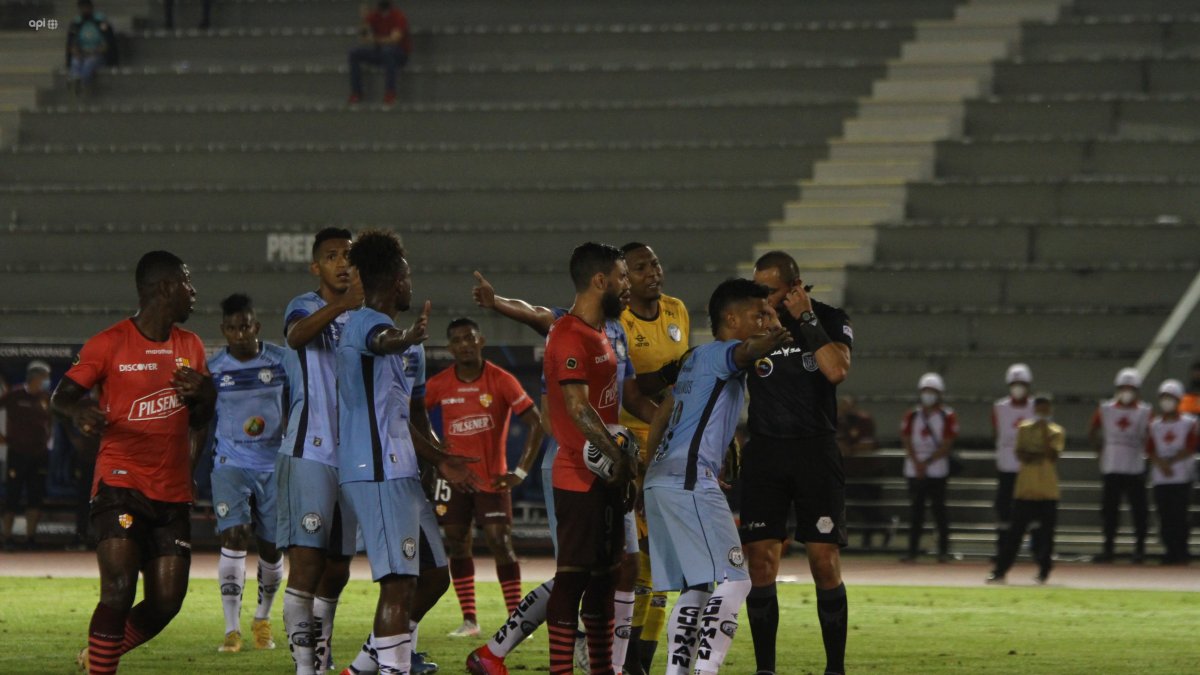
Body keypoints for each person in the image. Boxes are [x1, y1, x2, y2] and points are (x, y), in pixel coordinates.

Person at [464, 267, 656, 675]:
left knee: (619, 567)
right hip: (578, 460)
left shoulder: (614, 333)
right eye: (628, 272)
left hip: (608, 462)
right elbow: (534, 313)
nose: (636, 279)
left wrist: (668, 427)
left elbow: (632, 395)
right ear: (604, 281)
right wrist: (496, 302)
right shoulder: (565, 329)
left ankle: (612, 663)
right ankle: (498, 651)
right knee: (577, 571)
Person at [51, 250, 215, 674]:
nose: (193, 292)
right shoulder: (108, 343)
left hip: (172, 489)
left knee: (166, 601)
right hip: (120, 482)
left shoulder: (192, 346)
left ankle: (101, 653)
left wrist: (206, 396)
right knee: (119, 588)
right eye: (187, 282)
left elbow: (200, 419)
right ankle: (103, 668)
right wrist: (79, 412)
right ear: (165, 288)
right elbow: (61, 397)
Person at [334, 229, 477, 675]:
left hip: (402, 470)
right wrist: (407, 336)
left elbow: (401, 417)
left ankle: (365, 664)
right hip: (374, 470)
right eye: (408, 275)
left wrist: (438, 458)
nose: (411, 283)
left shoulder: (399, 338)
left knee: (434, 574)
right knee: (398, 582)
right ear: (396, 280)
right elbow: (381, 340)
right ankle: (395, 667)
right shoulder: (365, 324)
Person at [643, 278, 792, 675]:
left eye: (766, 313)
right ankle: (706, 670)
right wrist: (778, 329)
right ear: (730, 318)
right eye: (756, 314)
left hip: (661, 479)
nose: (763, 320)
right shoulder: (725, 353)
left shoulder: (695, 358)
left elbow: (664, 410)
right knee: (737, 579)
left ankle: (678, 672)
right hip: (691, 481)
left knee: (697, 586)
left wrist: (645, 467)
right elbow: (750, 349)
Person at [741, 250, 852, 675]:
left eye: (769, 291)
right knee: (760, 563)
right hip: (765, 451)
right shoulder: (754, 324)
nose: (763, 300)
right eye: (757, 291)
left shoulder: (828, 317)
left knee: (823, 561)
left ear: (794, 286)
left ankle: (834, 669)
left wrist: (806, 319)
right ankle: (765, 669)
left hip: (815, 451)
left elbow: (837, 370)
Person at [277, 228, 364, 674]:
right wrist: (341, 308)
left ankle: (322, 658)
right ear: (317, 267)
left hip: (354, 456)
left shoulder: (366, 313)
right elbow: (295, 337)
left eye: (347, 255)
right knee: (307, 566)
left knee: (338, 568)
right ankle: (304, 669)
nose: (341, 263)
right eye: (332, 256)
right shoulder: (305, 305)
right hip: (310, 449)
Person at [424, 317, 545, 637]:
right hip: (454, 480)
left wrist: (520, 471)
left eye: (469, 338)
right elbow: (413, 413)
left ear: (481, 341)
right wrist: (437, 449)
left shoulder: (501, 380)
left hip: (491, 479)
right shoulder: (439, 383)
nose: (464, 344)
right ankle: (470, 621)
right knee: (457, 543)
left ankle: (518, 621)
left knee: (500, 541)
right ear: (450, 348)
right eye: (457, 340)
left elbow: (537, 422)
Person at [616, 242, 690, 674]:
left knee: (668, 562)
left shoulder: (677, 310)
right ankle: (626, 659)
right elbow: (631, 389)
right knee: (641, 559)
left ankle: (640, 660)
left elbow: (686, 378)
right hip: (636, 442)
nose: (653, 272)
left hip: (674, 442)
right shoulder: (618, 322)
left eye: (655, 263)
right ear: (625, 276)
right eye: (641, 267)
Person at [208, 293, 289, 653]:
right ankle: (231, 629)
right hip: (231, 463)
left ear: (256, 326)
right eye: (232, 328)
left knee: (271, 548)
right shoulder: (213, 369)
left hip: (274, 464)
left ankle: (262, 618)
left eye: (246, 326)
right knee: (235, 535)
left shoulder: (282, 361)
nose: (240, 333)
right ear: (224, 330)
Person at [988, 394, 1065, 584]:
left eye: (1045, 410)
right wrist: (1035, 454)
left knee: (1046, 535)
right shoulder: (1024, 429)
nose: (1042, 413)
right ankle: (1000, 570)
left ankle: (1044, 570)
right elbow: (1021, 454)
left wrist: (1043, 436)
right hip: (1025, 490)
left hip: (1047, 491)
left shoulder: (1056, 431)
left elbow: (1052, 455)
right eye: (1039, 409)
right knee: (1014, 534)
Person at [1088, 367, 1152, 563]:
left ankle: (1139, 550)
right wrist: (1100, 452)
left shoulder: (1144, 411)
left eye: (1130, 388)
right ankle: (1108, 549)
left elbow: (1152, 434)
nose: (1126, 391)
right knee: (1109, 512)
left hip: (1134, 468)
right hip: (1112, 467)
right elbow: (1093, 430)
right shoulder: (1106, 409)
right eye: (1123, 387)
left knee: (1139, 512)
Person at [900, 373, 957, 563]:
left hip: (937, 470)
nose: (928, 395)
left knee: (939, 511)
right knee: (916, 512)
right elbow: (906, 439)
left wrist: (927, 462)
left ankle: (943, 551)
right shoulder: (912, 415)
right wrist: (916, 462)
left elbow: (947, 443)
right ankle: (912, 551)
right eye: (926, 391)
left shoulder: (947, 415)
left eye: (932, 391)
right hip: (915, 470)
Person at [0, 360, 52, 551]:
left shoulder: (46, 398)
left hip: (39, 455)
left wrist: (48, 438)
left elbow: (51, 421)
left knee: (35, 497)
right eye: (45, 378)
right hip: (17, 453)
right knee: (12, 496)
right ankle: (7, 537)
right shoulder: (14, 395)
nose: (47, 381)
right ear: (35, 378)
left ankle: (30, 537)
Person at [1146, 380, 1197, 565]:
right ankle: (1169, 550)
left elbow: (1190, 447)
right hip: (1161, 478)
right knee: (1165, 516)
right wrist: (1162, 464)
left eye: (1170, 398)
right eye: (1164, 398)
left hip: (1181, 477)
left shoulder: (1189, 422)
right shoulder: (1154, 424)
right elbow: (1150, 448)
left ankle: (1182, 550)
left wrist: (1171, 462)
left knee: (1180, 516)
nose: (1166, 401)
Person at [991, 364, 1035, 563]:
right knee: (1003, 510)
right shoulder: (1000, 408)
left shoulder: (1036, 408)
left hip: (1029, 470)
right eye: (1015, 384)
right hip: (1007, 467)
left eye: (1021, 384)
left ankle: (1037, 550)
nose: (1018, 387)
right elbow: (996, 434)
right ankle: (1002, 550)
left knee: (1032, 512)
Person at [837, 396, 886, 550]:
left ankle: (877, 532)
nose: (846, 408)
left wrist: (850, 449)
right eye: (843, 405)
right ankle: (885, 526)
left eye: (849, 405)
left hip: (869, 471)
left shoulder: (864, 420)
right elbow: (837, 444)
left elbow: (868, 444)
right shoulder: (838, 421)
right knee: (856, 504)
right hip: (849, 472)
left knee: (869, 505)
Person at [348, 0, 412, 105]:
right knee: (354, 53)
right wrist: (364, 20)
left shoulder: (398, 16)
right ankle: (356, 92)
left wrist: (374, 39)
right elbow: (363, 38)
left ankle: (390, 93)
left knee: (388, 51)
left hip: (399, 54)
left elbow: (394, 39)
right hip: (381, 52)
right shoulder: (374, 15)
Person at [65, 0, 116, 97]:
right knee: (75, 61)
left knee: (89, 63)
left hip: (98, 54)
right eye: (82, 7)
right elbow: (72, 43)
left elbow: (107, 44)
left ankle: (83, 85)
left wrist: (94, 52)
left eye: (86, 7)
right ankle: (75, 80)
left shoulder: (100, 21)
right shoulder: (77, 23)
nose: (84, 10)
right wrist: (76, 52)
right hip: (82, 53)